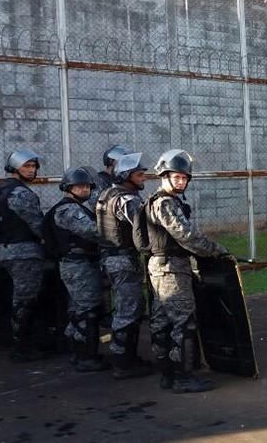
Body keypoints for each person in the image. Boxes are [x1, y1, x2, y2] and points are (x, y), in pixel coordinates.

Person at [144, 149, 230, 394]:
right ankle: (182, 377)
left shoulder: (158, 201)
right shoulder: (165, 203)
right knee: (183, 323)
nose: (181, 182)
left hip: (163, 267)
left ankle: (168, 375)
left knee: (163, 322)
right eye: (177, 177)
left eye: (184, 178)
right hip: (171, 269)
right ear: (165, 176)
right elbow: (186, 235)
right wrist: (216, 250)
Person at [44, 167, 109, 372]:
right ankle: (86, 356)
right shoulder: (68, 210)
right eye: (78, 186)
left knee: (80, 309)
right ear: (68, 188)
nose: (84, 189)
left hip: (80, 264)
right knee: (87, 310)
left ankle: (79, 352)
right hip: (78, 266)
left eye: (87, 186)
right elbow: (94, 231)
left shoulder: (77, 207)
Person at [96, 152, 152, 379]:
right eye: (139, 174)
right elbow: (144, 228)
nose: (144, 178)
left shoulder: (107, 194)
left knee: (127, 307)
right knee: (129, 309)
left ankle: (127, 358)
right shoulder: (127, 199)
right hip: (122, 260)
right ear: (127, 175)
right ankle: (123, 362)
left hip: (110, 258)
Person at [0, 150, 47, 362]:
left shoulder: (0, 189)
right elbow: (37, 224)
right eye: (26, 166)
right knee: (26, 299)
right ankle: (22, 346)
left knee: (16, 297)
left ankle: (15, 341)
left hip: (4, 250)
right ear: (15, 168)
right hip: (23, 252)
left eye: (33, 166)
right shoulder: (21, 193)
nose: (31, 170)